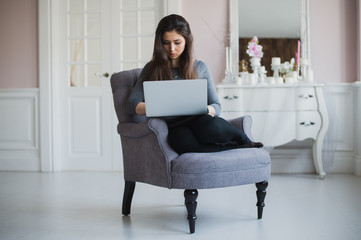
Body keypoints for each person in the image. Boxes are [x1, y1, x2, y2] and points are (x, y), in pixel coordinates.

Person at [126, 14, 263, 154]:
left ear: (186, 40)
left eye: (177, 42)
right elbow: (132, 104)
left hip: (200, 120)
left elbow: (216, 106)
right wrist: (162, 107)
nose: (171, 48)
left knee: (209, 129)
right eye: (166, 43)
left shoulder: (200, 67)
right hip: (174, 126)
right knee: (181, 143)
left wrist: (204, 109)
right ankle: (233, 148)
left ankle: (243, 139)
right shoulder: (151, 69)